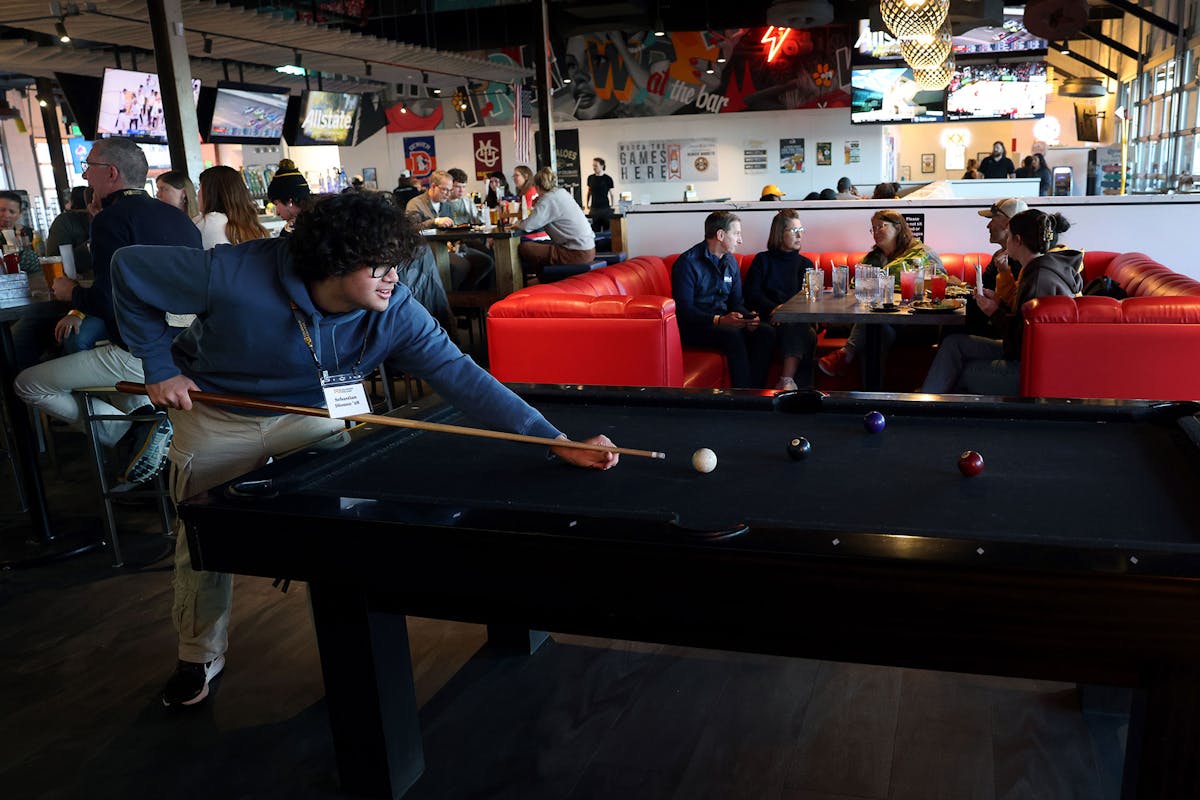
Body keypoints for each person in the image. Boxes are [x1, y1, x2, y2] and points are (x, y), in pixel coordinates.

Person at [109, 191, 618, 708]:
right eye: (379, 267)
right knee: (202, 540)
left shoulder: (395, 309)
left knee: (334, 538)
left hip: (312, 419)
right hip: (218, 415)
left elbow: (462, 376)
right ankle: (198, 654)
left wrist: (553, 440)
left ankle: (344, 651)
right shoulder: (233, 273)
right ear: (333, 262)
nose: (393, 279)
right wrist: (158, 366)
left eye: (396, 265)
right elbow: (128, 269)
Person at [14, 137, 202, 484]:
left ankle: (132, 434)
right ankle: (146, 433)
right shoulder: (178, 219)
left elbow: (106, 300)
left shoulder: (111, 220)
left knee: (28, 383)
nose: (85, 176)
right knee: (111, 389)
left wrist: (72, 294)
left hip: (142, 352)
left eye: (88, 167)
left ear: (111, 173)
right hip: (188, 348)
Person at [920, 210, 1082, 394]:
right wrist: (1000, 303)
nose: (1006, 242)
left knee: (959, 371)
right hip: (1030, 357)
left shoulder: (1038, 278)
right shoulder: (1040, 269)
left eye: (1009, 236)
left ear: (1018, 240)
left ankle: (927, 413)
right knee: (953, 344)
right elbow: (1023, 325)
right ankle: (928, 400)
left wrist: (994, 312)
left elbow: (1022, 344)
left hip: (1032, 369)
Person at [818, 210, 944, 379]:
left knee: (873, 325)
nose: (876, 232)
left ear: (898, 228)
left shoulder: (922, 253)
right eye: (873, 228)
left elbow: (940, 281)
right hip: (882, 321)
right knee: (876, 328)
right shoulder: (872, 259)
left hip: (914, 321)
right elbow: (855, 287)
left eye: (881, 227)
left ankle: (846, 354)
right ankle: (871, 396)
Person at [671, 210, 774, 389]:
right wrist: (719, 320)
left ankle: (756, 391)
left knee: (766, 332)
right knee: (732, 334)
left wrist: (748, 317)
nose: (740, 240)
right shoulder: (687, 263)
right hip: (694, 326)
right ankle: (743, 395)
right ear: (720, 234)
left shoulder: (730, 262)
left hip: (722, 321)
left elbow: (736, 303)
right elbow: (684, 311)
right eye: (736, 234)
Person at [744, 209, 818, 391]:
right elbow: (752, 293)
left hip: (796, 318)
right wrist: (774, 309)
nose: (800, 235)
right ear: (779, 233)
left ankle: (786, 381)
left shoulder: (805, 264)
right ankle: (791, 385)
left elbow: (808, 298)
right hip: (768, 317)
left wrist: (786, 313)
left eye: (801, 230)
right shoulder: (762, 260)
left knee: (799, 327)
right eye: (793, 231)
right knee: (803, 333)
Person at [406, 170, 491, 289]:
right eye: (445, 189)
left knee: (486, 262)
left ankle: (465, 296)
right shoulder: (416, 203)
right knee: (462, 266)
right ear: (433, 186)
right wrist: (435, 221)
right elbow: (411, 228)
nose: (448, 194)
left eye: (450, 190)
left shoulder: (446, 206)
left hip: (449, 247)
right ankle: (450, 299)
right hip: (427, 251)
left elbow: (452, 230)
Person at [512, 167, 596, 281]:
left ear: (536, 187)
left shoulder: (548, 199)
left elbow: (528, 225)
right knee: (539, 245)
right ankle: (544, 280)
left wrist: (517, 224)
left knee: (524, 248)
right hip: (588, 248)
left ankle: (527, 283)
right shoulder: (561, 193)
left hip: (575, 253)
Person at [193, 165, 270, 248]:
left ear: (210, 193)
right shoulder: (254, 227)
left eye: (200, 187)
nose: (197, 193)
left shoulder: (205, 223)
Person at [266, 159, 311, 236]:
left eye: (276, 204)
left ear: (289, 201)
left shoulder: (295, 230)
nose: (277, 213)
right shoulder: (319, 218)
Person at [586, 157, 615, 230]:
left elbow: (612, 194)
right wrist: (587, 204)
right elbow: (589, 192)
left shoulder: (608, 178)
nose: (594, 168)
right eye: (593, 165)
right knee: (594, 230)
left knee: (607, 230)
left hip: (605, 208)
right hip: (594, 209)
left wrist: (613, 205)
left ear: (602, 166)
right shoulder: (590, 178)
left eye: (596, 166)